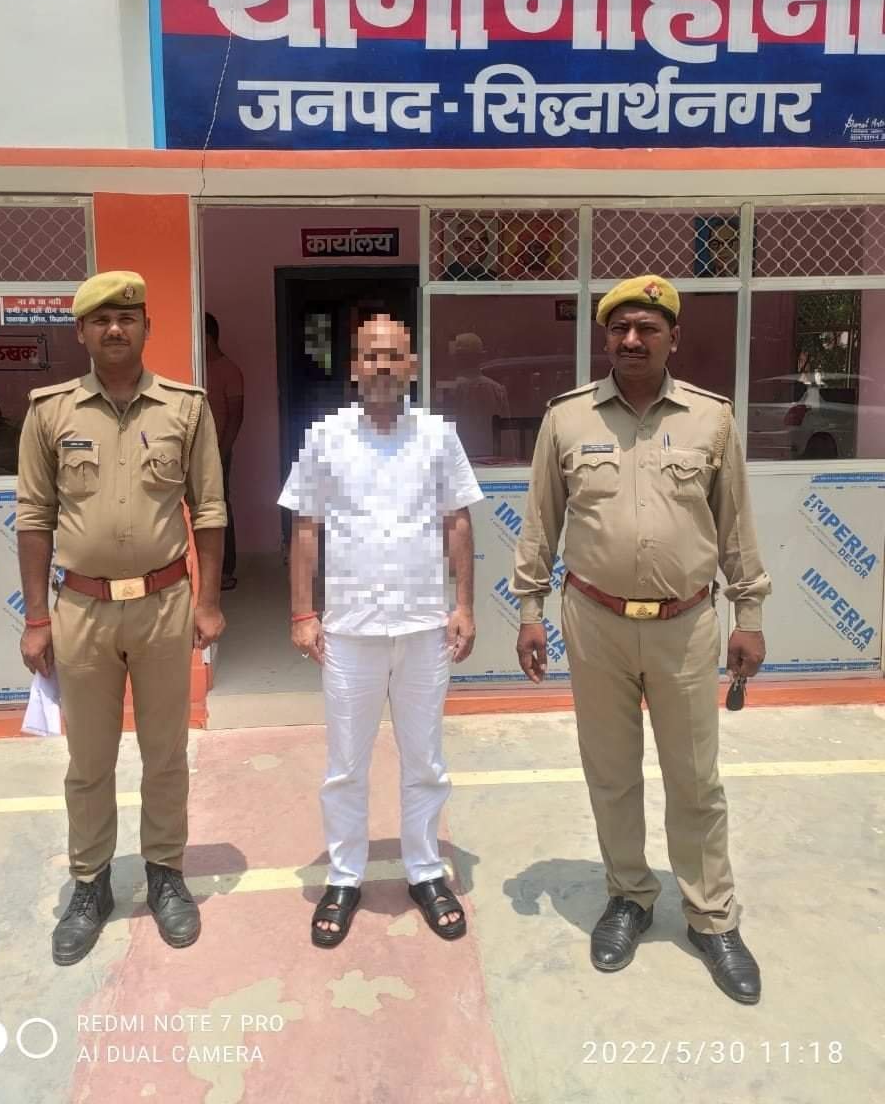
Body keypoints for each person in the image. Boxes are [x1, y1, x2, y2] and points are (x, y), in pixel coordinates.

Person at [512, 274, 770, 1005]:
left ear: (672, 338)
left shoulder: (711, 419)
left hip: (685, 626)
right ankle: (628, 896)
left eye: (647, 328)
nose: (632, 339)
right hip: (593, 622)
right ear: (606, 338)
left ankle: (712, 917)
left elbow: (736, 526)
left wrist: (749, 615)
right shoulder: (567, 419)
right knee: (612, 773)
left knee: (695, 780)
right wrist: (529, 608)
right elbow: (541, 519)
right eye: (620, 328)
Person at [15, 270, 227, 966]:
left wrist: (208, 601)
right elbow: (34, 517)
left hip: (165, 604)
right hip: (81, 610)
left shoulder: (186, 409)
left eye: (128, 318)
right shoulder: (51, 412)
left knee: (166, 751)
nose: (115, 329)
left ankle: (165, 874)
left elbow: (209, 509)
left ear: (146, 329)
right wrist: (37, 618)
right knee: (89, 758)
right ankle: (90, 883)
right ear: (82, 332)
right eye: (102, 319)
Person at [279, 314, 483, 948]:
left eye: (394, 355)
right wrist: (303, 612)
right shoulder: (324, 438)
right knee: (346, 764)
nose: (383, 366)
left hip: (424, 627)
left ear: (413, 366)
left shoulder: (439, 437)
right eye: (371, 356)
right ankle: (345, 876)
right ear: (353, 367)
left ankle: (425, 870)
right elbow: (305, 526)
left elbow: (457, 522)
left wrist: (464, 604)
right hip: (350, 630)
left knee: (425, 760)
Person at [204, 312, 244, 590]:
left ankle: (226, 570)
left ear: (207, 338)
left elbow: (236, 416)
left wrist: (222, 452)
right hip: (195, 454)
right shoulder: (196, 366)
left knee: (219, 507)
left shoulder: (229, 370)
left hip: (218, 452)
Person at [444, 332, 511, 460]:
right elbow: (507, 436)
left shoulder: (448, 390)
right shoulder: (496, 389)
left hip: (457, 461)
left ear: (456, 358)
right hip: (492, 462)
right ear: (481, 357)